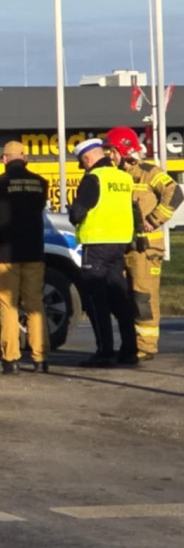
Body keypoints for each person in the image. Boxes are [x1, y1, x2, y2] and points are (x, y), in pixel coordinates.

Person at [103, 126, 183, 361]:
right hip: (125, 246)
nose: (110, 156)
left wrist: (153, 220)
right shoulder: (117, 175)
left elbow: (175, 193)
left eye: (113, 150)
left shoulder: (149, 172)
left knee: (143, 297)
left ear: (125, 149)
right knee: (126, 296)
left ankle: (146, 346)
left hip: (147, 248)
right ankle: (131, 345)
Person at [68, 138, 140, 367]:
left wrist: (73, 215)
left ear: (88, 158)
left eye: (82, 162)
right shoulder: (124, 177)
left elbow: (78, 213)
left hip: (97, 245)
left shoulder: (93, 179)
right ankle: (130, 350)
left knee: (95, 300)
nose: (83, 167)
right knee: (120, 298)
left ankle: (105, 352)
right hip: (119, 245)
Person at [0, 141, 50, 374]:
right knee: (34, 306)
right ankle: (40, 359)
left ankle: (11, 360)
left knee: (8, 307)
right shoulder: (41, 184)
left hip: (5, 255)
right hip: (33, 252)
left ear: (4, 159)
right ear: (25, 159)